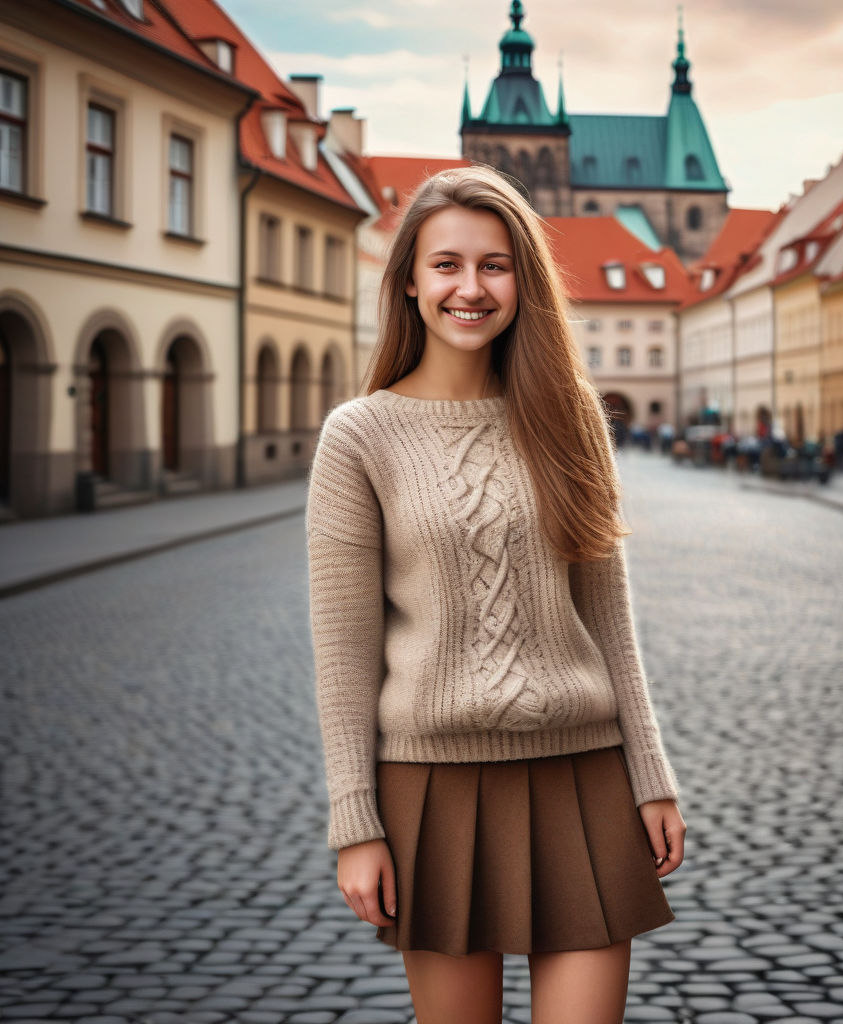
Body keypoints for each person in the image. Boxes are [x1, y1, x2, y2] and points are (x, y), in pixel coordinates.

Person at [305, 165, 685, 1024]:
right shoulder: (360, 435)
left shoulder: (569, 415)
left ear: (525, 282)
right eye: (446, 265)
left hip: (583, 774)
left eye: (495, 265)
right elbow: (344, 650)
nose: (470, 288)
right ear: (409, 280)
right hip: (431, 788)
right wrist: (355, 822)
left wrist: (651, 773)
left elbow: (609, 616)